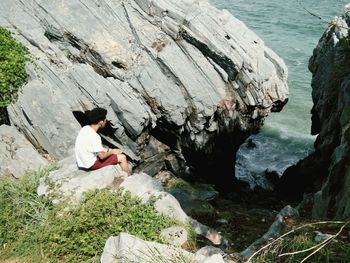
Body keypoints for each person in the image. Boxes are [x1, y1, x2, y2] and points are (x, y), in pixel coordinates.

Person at [74, 107, 131, 175]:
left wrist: (108, 150)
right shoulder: (95, 136)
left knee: (107, 150)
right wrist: (113, 151)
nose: (106, 120)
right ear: (101, 122)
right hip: (91, 164)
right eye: (104, 119)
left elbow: (91, 147)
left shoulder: (85, 128)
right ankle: (129, 178)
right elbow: (101, 156)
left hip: (82, 162)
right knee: (122, 157)